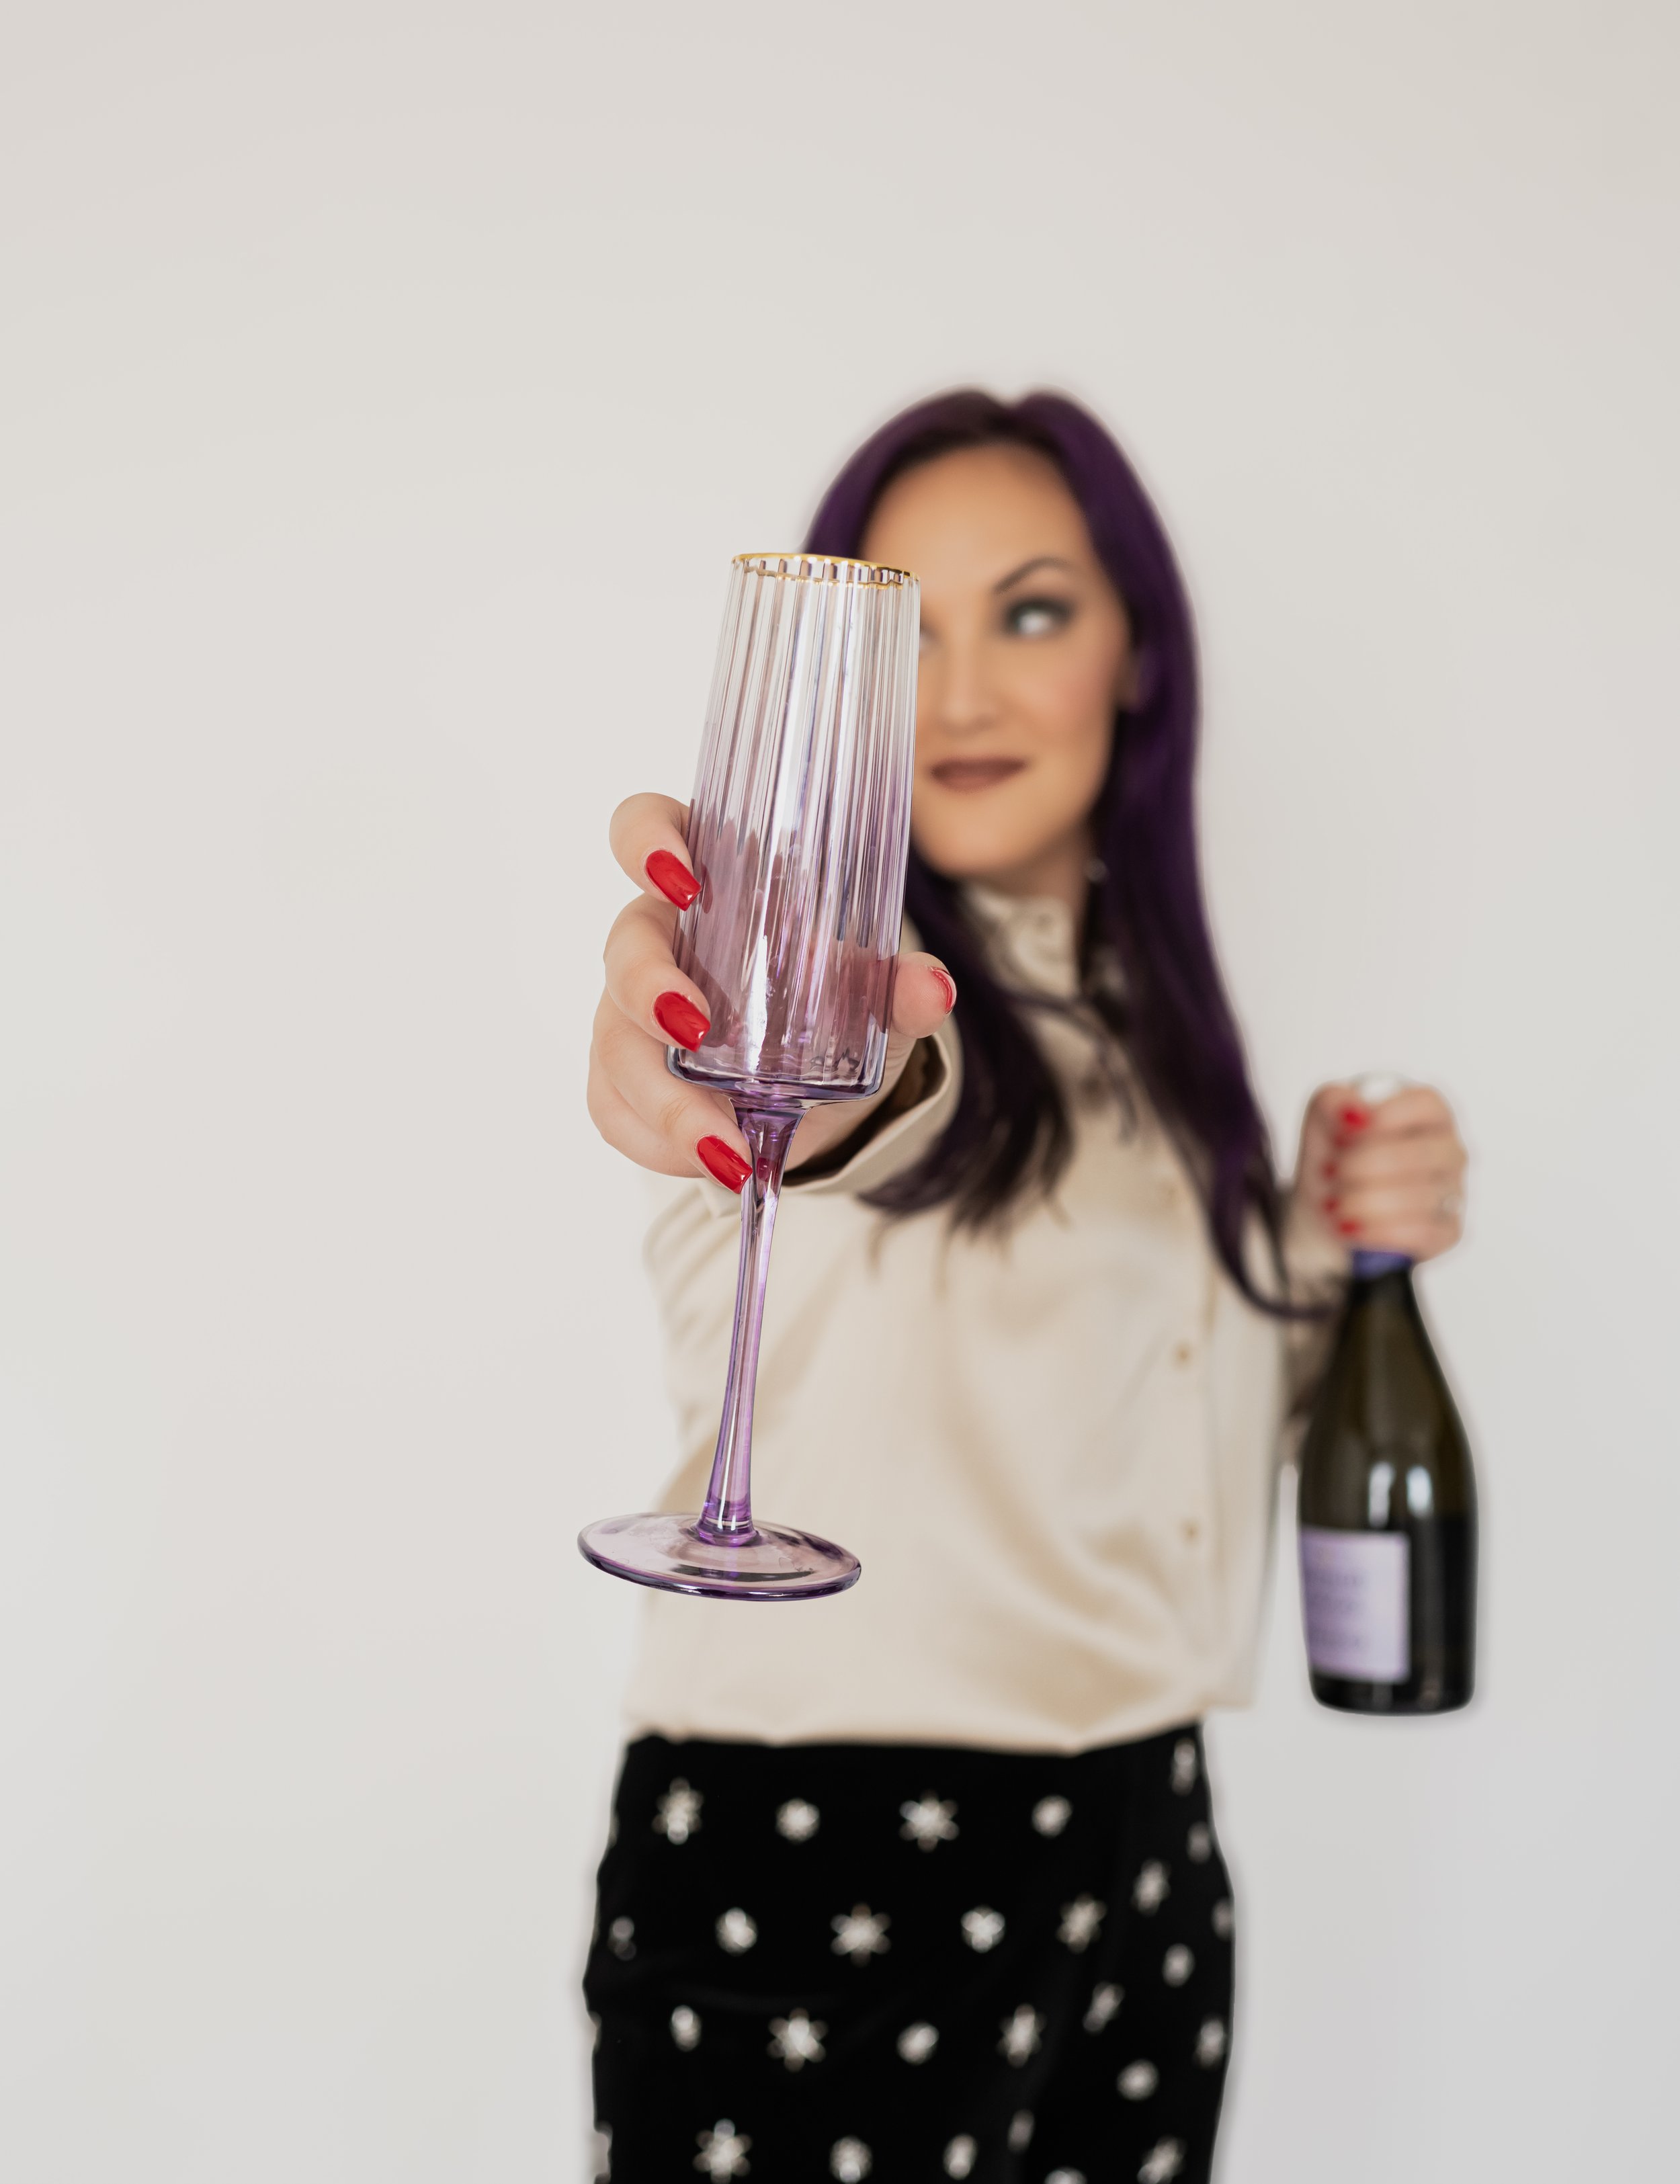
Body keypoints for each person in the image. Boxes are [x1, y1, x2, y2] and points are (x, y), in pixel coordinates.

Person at [581, 390, 1468, 2184]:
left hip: (1145, 1849)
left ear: (1137, 654)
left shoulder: (1166, 1048)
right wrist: (767, 1059)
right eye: (900, 625)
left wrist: (1331, 1248)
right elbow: (861, 1119)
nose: (962, 687)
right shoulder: (834, 993)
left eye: (1034, 609)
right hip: (822, 1860)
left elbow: (1123, 1451)